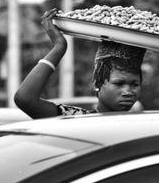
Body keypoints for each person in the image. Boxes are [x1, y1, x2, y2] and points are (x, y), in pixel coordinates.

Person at [14, 8, 146, 119]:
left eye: (135, 84)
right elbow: (25, 99)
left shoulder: (146, 126)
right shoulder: (76, 119)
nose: (128, 91)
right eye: (119, 83)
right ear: (97, 83)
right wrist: (59, 47)